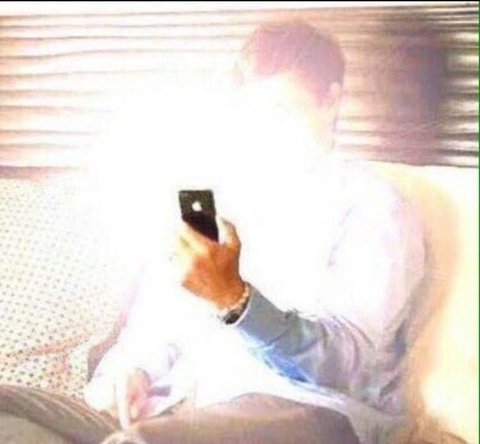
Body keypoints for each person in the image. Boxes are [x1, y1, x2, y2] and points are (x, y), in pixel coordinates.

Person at [0, 22, 426, 444]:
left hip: (303, 412)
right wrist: (136, 371)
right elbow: (156, 321)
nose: (266, 132)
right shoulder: (216, 199)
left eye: (282, 111)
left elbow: (344, 367)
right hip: (178, 409)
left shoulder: (374, 206)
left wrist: (237, 302)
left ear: (330, 101)